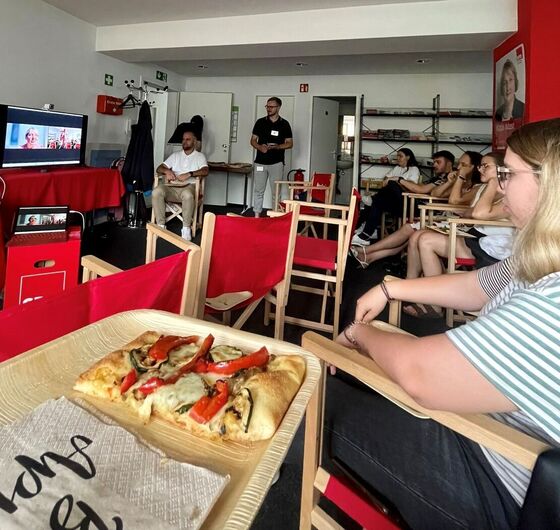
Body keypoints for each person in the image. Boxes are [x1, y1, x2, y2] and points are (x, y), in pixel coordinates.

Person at [335, 118, 560, 529]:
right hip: (489, 435)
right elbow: (478, 286)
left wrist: (358, 333)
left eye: (508, 174)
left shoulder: (553, 300)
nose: (501, 186)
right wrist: (391, 289)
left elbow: (420, 375)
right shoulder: (540, 260)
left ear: (551, 185)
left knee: (325, 405)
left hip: (498, 483)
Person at [350, 150, 455, 266]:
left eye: (438, 162)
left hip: (423, 209)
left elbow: (424, 190)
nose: (434, 165)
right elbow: (420, 188)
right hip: (416, 205)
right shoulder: (437, 178)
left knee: (388, 190)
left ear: (449, 163)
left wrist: (399, 180)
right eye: (434, 162)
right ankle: (367, 251)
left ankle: (366, 243)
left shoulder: (450, 179)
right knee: (380, 201)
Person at [352, 148, 421, 245]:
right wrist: (392, 180)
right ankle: (366, 233)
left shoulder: (414, 169)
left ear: (408, 157)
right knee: (378, 202)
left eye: (400, 156)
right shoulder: (397, 168)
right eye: (397, 156)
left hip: (404, 202)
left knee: (390, 185)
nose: (398, 158)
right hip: (391, 201)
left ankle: (365, 228)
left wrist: (396, 180)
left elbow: (412, 186)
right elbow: (385, 180)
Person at [152, 130, 209, 241]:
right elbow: (159, 168)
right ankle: (161, 225)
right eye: (183, 139)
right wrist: (167, 171)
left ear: (194, 141)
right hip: (172, 187)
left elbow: (205, 171)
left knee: (187, 195)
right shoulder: (175, 155)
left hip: (189, 187)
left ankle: (186, 227)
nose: (184, 141)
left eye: (188, 139)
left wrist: (190, 174)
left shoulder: (199, 156)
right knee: (156, 191)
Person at [250, 97, 293, 217]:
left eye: (271, 107)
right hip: (260, 162)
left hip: (277, 163)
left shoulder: (284, 124)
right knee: (258, 190)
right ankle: (256, 216)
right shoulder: (260, 122)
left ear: (278, 107)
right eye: (267, 106)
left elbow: (290, 143)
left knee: (276, 192)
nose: (268, 109)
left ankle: (274, 216)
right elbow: (253, 140)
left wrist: (277, 147)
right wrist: (260, 147)